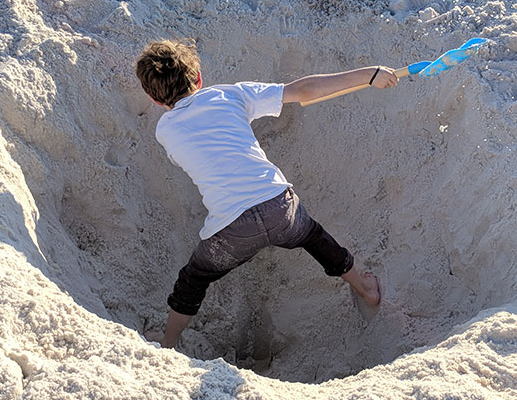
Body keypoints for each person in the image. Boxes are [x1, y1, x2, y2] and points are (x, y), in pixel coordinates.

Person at [135, 38, 397, 349]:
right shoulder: (229, 94)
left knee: (193, 279)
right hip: (279, 208)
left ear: (153, 99)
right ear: (199, 78)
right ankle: (366, 287)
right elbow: (303, 90)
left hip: (231, 230)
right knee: (314, 237)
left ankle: (168, 341)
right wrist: (370, 74)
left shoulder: (164, 130)